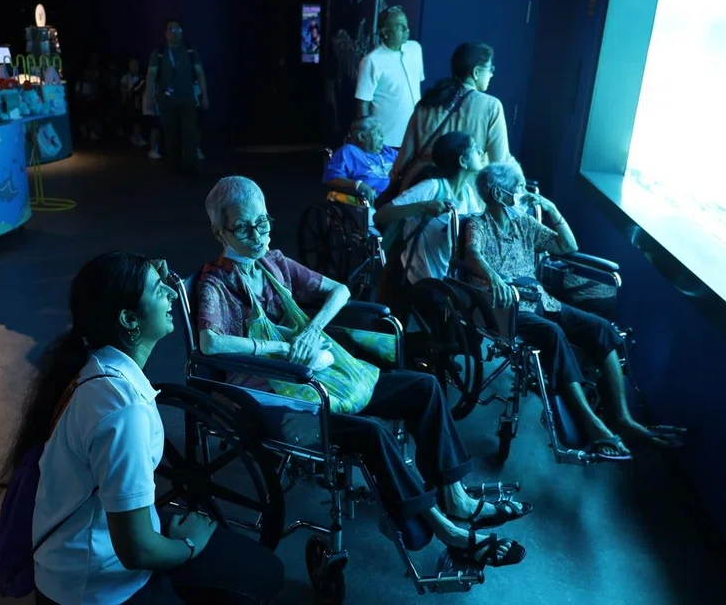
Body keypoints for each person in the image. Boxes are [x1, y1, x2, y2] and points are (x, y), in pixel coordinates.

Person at [195, 175, 531, 569]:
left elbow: (339, 291)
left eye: (262, 222)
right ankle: (447, 531)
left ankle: (455, 496)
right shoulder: (216, 282)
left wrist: (312, 330)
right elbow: (210, 343)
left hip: (321, 378)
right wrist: (284, 349)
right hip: (277, 399)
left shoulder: (273, 262)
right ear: (219, 232)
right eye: (242, 228)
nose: (257, 235)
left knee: (423, 387)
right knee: (371, 433)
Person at [0, 252, 285, 604]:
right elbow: (138, 551)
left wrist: (146, 276)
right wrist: (188, 545)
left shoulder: (95, 367)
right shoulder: (122, 410)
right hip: (99, 588)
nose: (173, 294)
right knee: (264, 577)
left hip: (80, 559)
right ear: (129, 319)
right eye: (159, 289)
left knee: (261, 569)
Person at [464, 161, 687, 459]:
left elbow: (567, 246)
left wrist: (552, 209)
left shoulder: (523, 224)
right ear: (498, 193)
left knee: (601, 329)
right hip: (508, 309)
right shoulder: (478, 225)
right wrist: (494, 278)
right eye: (517, 188)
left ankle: (622, 418)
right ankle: (592, 424)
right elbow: (472, 253)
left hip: (543, 302)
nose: (523, 193)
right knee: (553, 334)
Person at [392, 42, 511, 192]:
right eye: (490, 69)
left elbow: (403, 158)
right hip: (462, 194)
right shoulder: (491, 106)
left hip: (418, 188)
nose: (492, 74)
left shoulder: (428, 101)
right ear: (476, 72)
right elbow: (499, 166)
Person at [373, 131, 487, 286]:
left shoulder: (467, 193)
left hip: (444, 281)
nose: (480, 151)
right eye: (474, 147)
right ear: (462, 161)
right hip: (416, 281)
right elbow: (381, 215)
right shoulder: (432, 187)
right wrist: (423, 207)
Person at [355, 6, 425, 149]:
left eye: (406, 25)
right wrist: (368, 139)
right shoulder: (371, 61)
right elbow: (363, 103)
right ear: (384, 31)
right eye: (399, 26)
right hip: (386, 141)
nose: (406, 30)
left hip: (414, 137)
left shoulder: (415, 49)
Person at [146, 19, 209, 176]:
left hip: (188, 99)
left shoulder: (190, 50)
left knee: (190, 132)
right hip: (167, 101)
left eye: (177, 29)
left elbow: (200, 73)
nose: (174, 33)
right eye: (171, 29)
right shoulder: (159, 52)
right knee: (171, 134)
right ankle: (174, 168)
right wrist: (149, 97)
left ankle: (190, 167)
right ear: (165, 33)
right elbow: (151, 75)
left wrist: (204, 96)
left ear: (182, 32)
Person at [323, 116, 398, 204]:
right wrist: (359, 185)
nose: (382, 135)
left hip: (399, 198)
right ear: (362, 137)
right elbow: (331, 180)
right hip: (372, 203)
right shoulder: (348, 152)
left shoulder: (387, 150)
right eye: (377, 132)